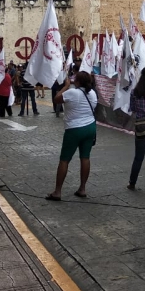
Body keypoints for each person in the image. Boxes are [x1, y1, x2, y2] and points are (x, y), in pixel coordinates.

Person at [46, 72, 98, 201]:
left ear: (78, 81)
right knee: (85, 158)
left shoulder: (72, 93)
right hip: (90, 127)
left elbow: (56, 99)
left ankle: (57, 191)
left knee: (64, 160)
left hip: (74, 129)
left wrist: (66, 86)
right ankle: (82, 188)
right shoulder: (92, 93)